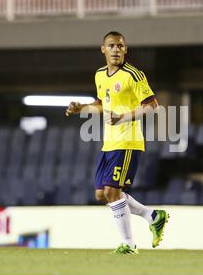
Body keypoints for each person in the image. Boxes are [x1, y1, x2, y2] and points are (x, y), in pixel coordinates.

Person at [65, 31, 169, 255]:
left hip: (128, 141)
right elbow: (102, 104)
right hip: (109, 142)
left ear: (125, 50)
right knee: (101, 195)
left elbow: (153, 106)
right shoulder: (100, 75)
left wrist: (123, 117)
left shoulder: (133, 75)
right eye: (111, 46)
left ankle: (128, 245)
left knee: (113, 192)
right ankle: (152, 216)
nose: (116, 50)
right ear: (103, 49)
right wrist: (81, 108)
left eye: (120, 46)